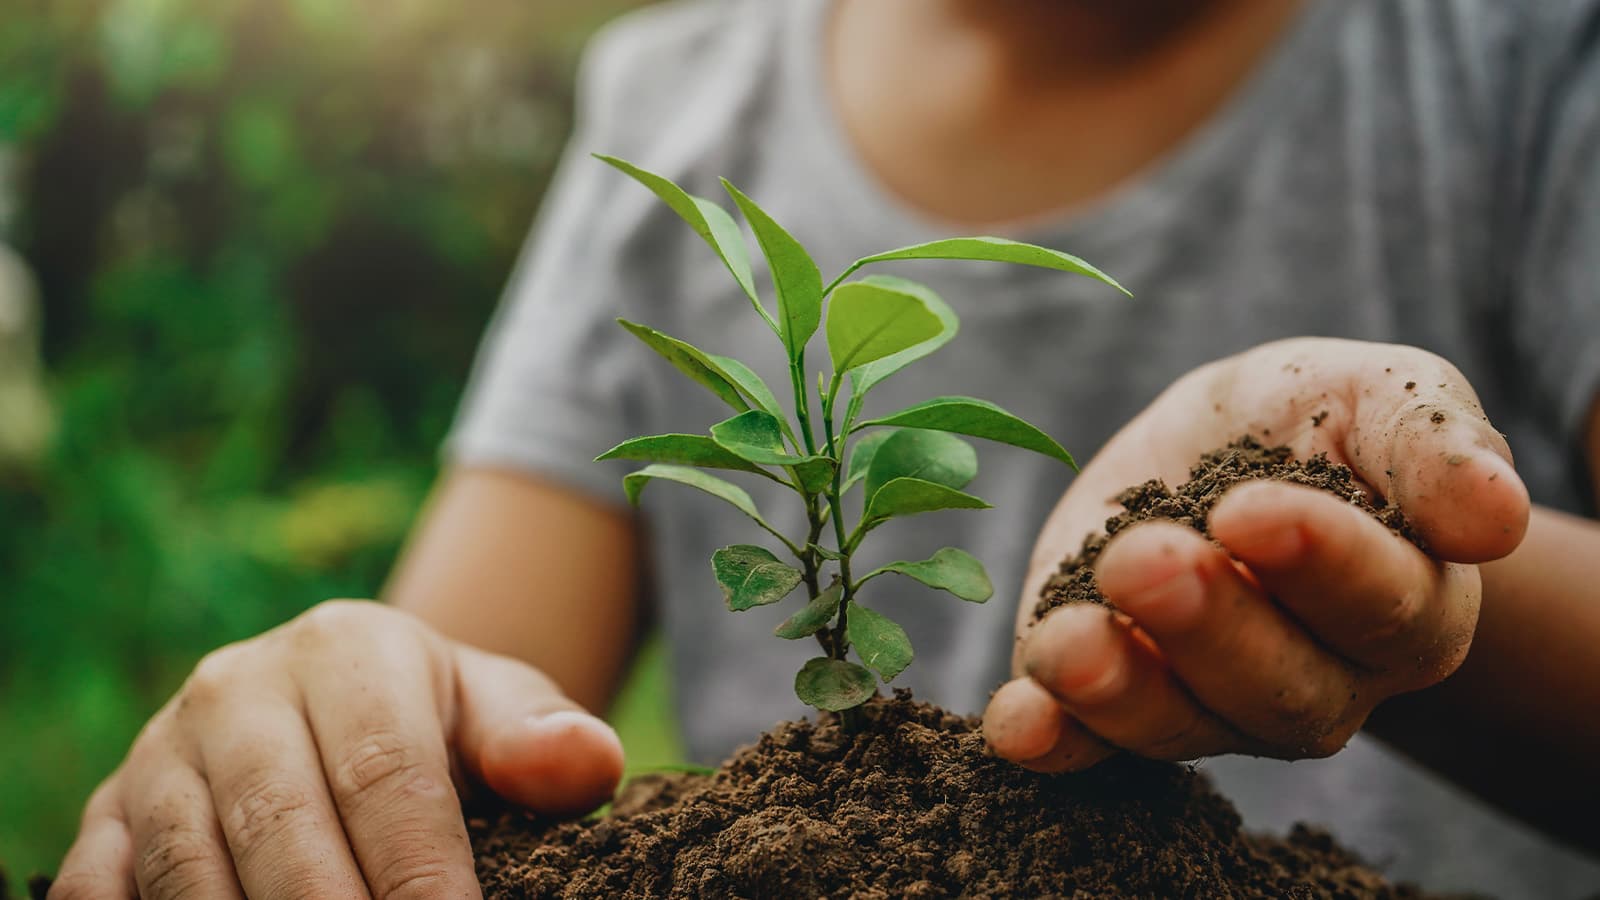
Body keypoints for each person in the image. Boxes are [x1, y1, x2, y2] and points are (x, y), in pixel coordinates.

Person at [49, 0, 1600, 897]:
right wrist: (334, 705)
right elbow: (461, 698)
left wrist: (1426, 583)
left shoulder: (1515, 54)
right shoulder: (682, 95)